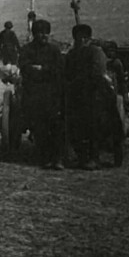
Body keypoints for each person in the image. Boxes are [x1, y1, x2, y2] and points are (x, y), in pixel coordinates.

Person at [18, 19, 65, 169]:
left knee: (57, 125)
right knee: (39, 126)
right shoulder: (27, 50)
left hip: (52, 94)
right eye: (39, 33)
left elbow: (59, 70)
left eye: (46, 33)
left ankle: (58, 159)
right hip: (33, 94)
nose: (43, 36)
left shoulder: (54, 50)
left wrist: (40, 69)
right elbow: (25, 69)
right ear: (34, 35)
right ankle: (44, 157)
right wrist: (45, 70)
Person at [63, 24, 110, 170]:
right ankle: (81, 157)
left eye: (82, 38)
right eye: (77, 38)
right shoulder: (71, 54)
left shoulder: (96, 52)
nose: (79, 41)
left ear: (87, 38)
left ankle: (94, 158)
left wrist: (78, 82)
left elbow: (97, 73)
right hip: (76, 95)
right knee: (75, 126)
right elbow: (66, 72)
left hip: (94, 94)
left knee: (94, 125)